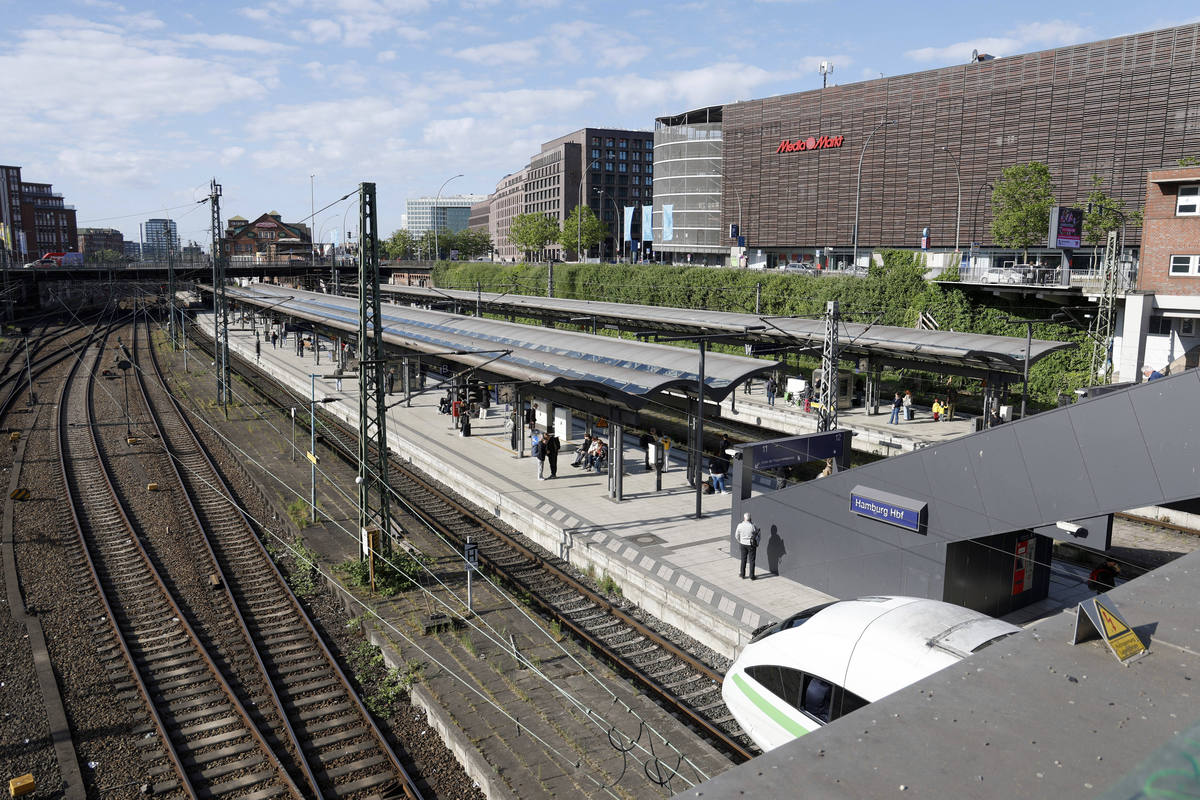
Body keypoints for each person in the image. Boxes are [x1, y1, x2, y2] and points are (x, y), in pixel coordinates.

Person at [735, 512, 760, 580]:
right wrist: (757, 543)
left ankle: (742, 574)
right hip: (751, 545)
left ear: (744, 518)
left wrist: (740, 541)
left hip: (743, 544)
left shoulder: (740, 525)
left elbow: (736, 535)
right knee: (752, 560)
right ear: (750, 518)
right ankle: (752, 576)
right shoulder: (753, 526)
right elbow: (758, 534)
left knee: (743, 559)